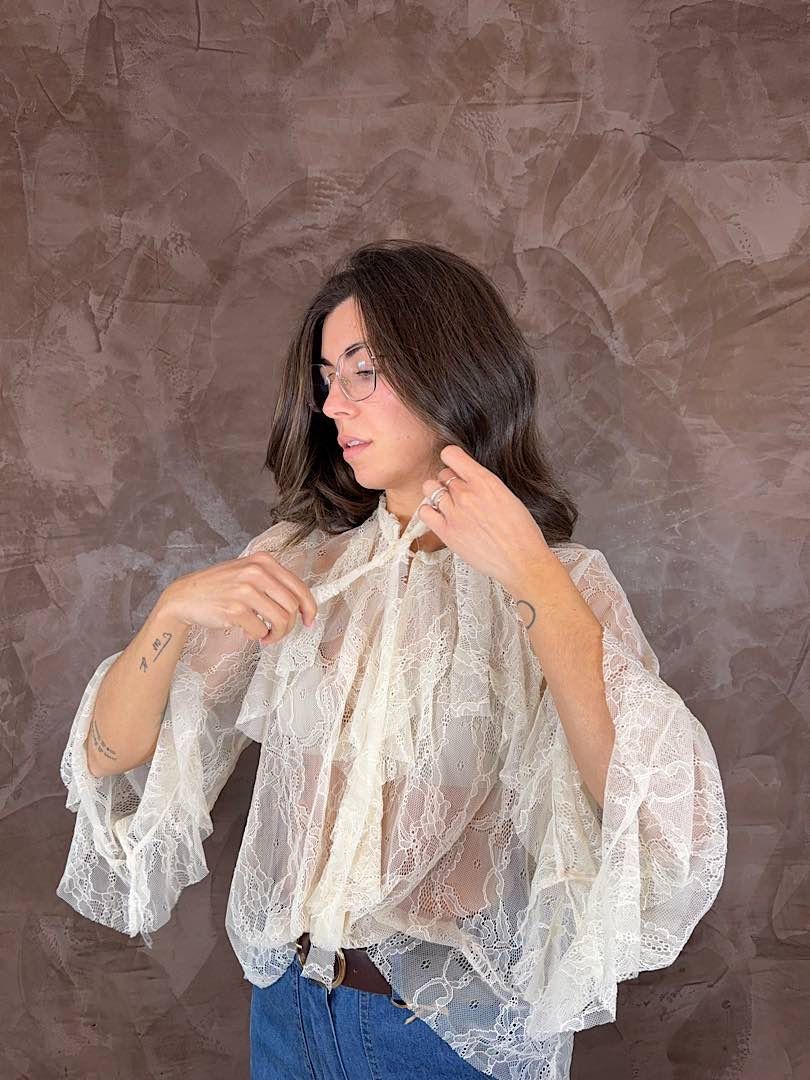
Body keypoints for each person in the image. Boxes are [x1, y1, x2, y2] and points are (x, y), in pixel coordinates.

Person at [57, 240, 728, 1080]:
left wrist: (530, 575)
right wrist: (172, 610)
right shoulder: (299, 566)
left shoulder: (562, 584)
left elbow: (662, 819)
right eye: (326, 377)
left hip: (442, 1034)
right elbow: (111, 757)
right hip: (289, 1018)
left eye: (363, 372)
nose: (331, 404)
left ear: (449, 369)